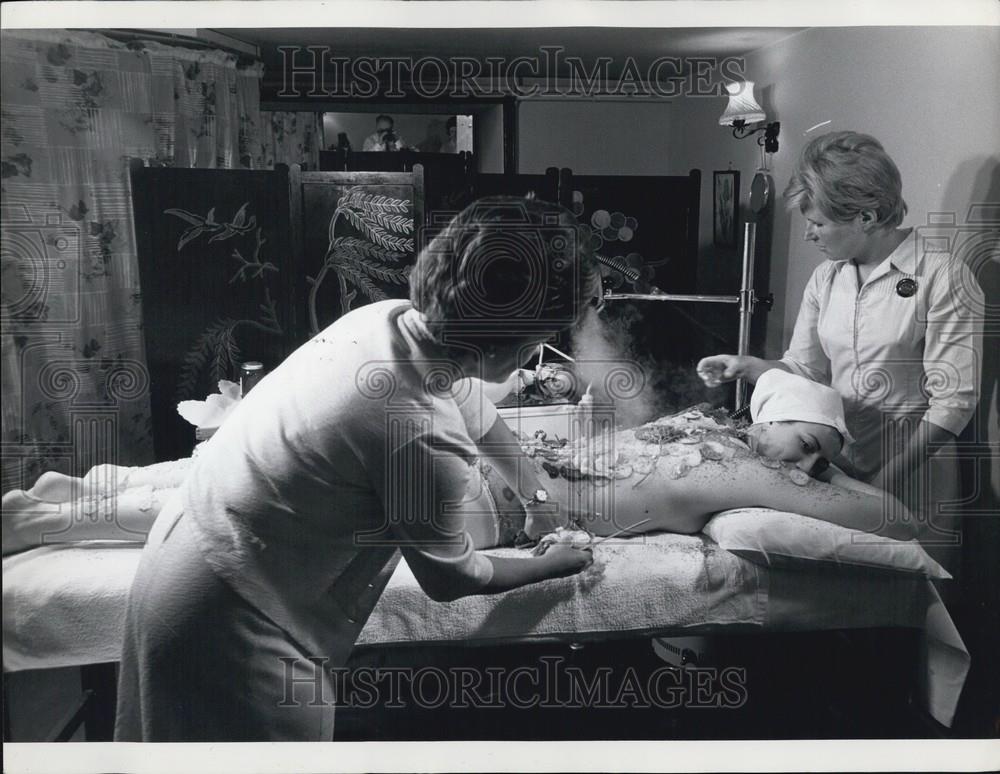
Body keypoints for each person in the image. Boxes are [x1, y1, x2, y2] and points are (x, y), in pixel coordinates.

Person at [102, 197, 599, 741]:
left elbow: (475, 412)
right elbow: (451, 577)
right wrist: (554, 562)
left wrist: (539, 498)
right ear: (519, 349)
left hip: (193, 556)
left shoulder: (392, 319)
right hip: (233, 623)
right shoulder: (416, 425)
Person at [696, 131, 983, 564]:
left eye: (819, 223)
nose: (810, 234)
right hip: (841, 466)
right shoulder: (829, 278)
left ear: (865, 217)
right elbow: (806, 369)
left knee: (908, 605)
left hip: (913, 473)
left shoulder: (942, 276)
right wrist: (748, 365)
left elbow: (954, 402)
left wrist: (884, 482)